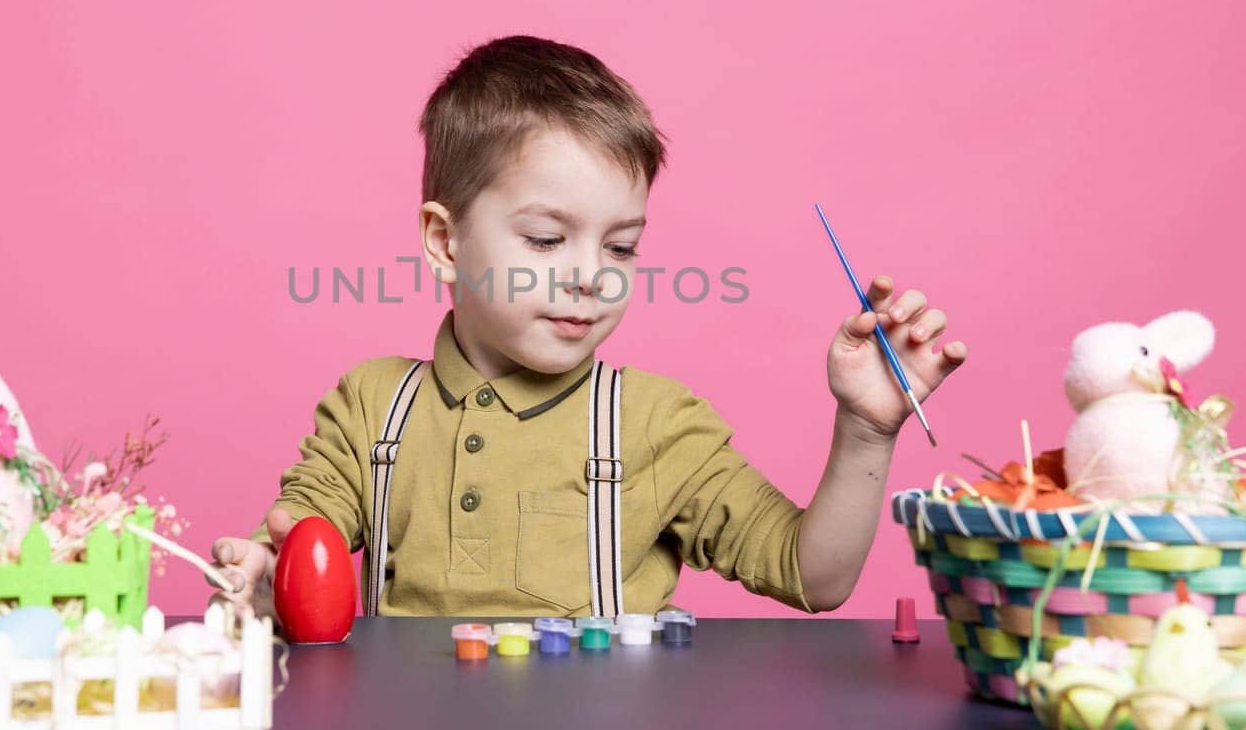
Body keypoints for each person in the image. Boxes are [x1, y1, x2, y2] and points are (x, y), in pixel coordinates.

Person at [208, 35, 966, 621]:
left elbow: (815, 575)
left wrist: (866, 431)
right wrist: (265, 575)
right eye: (545, 240)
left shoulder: (657, 424)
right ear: (446, 244)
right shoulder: (370, 409)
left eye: (621, 246)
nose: (590, 275)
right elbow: (295, 542)